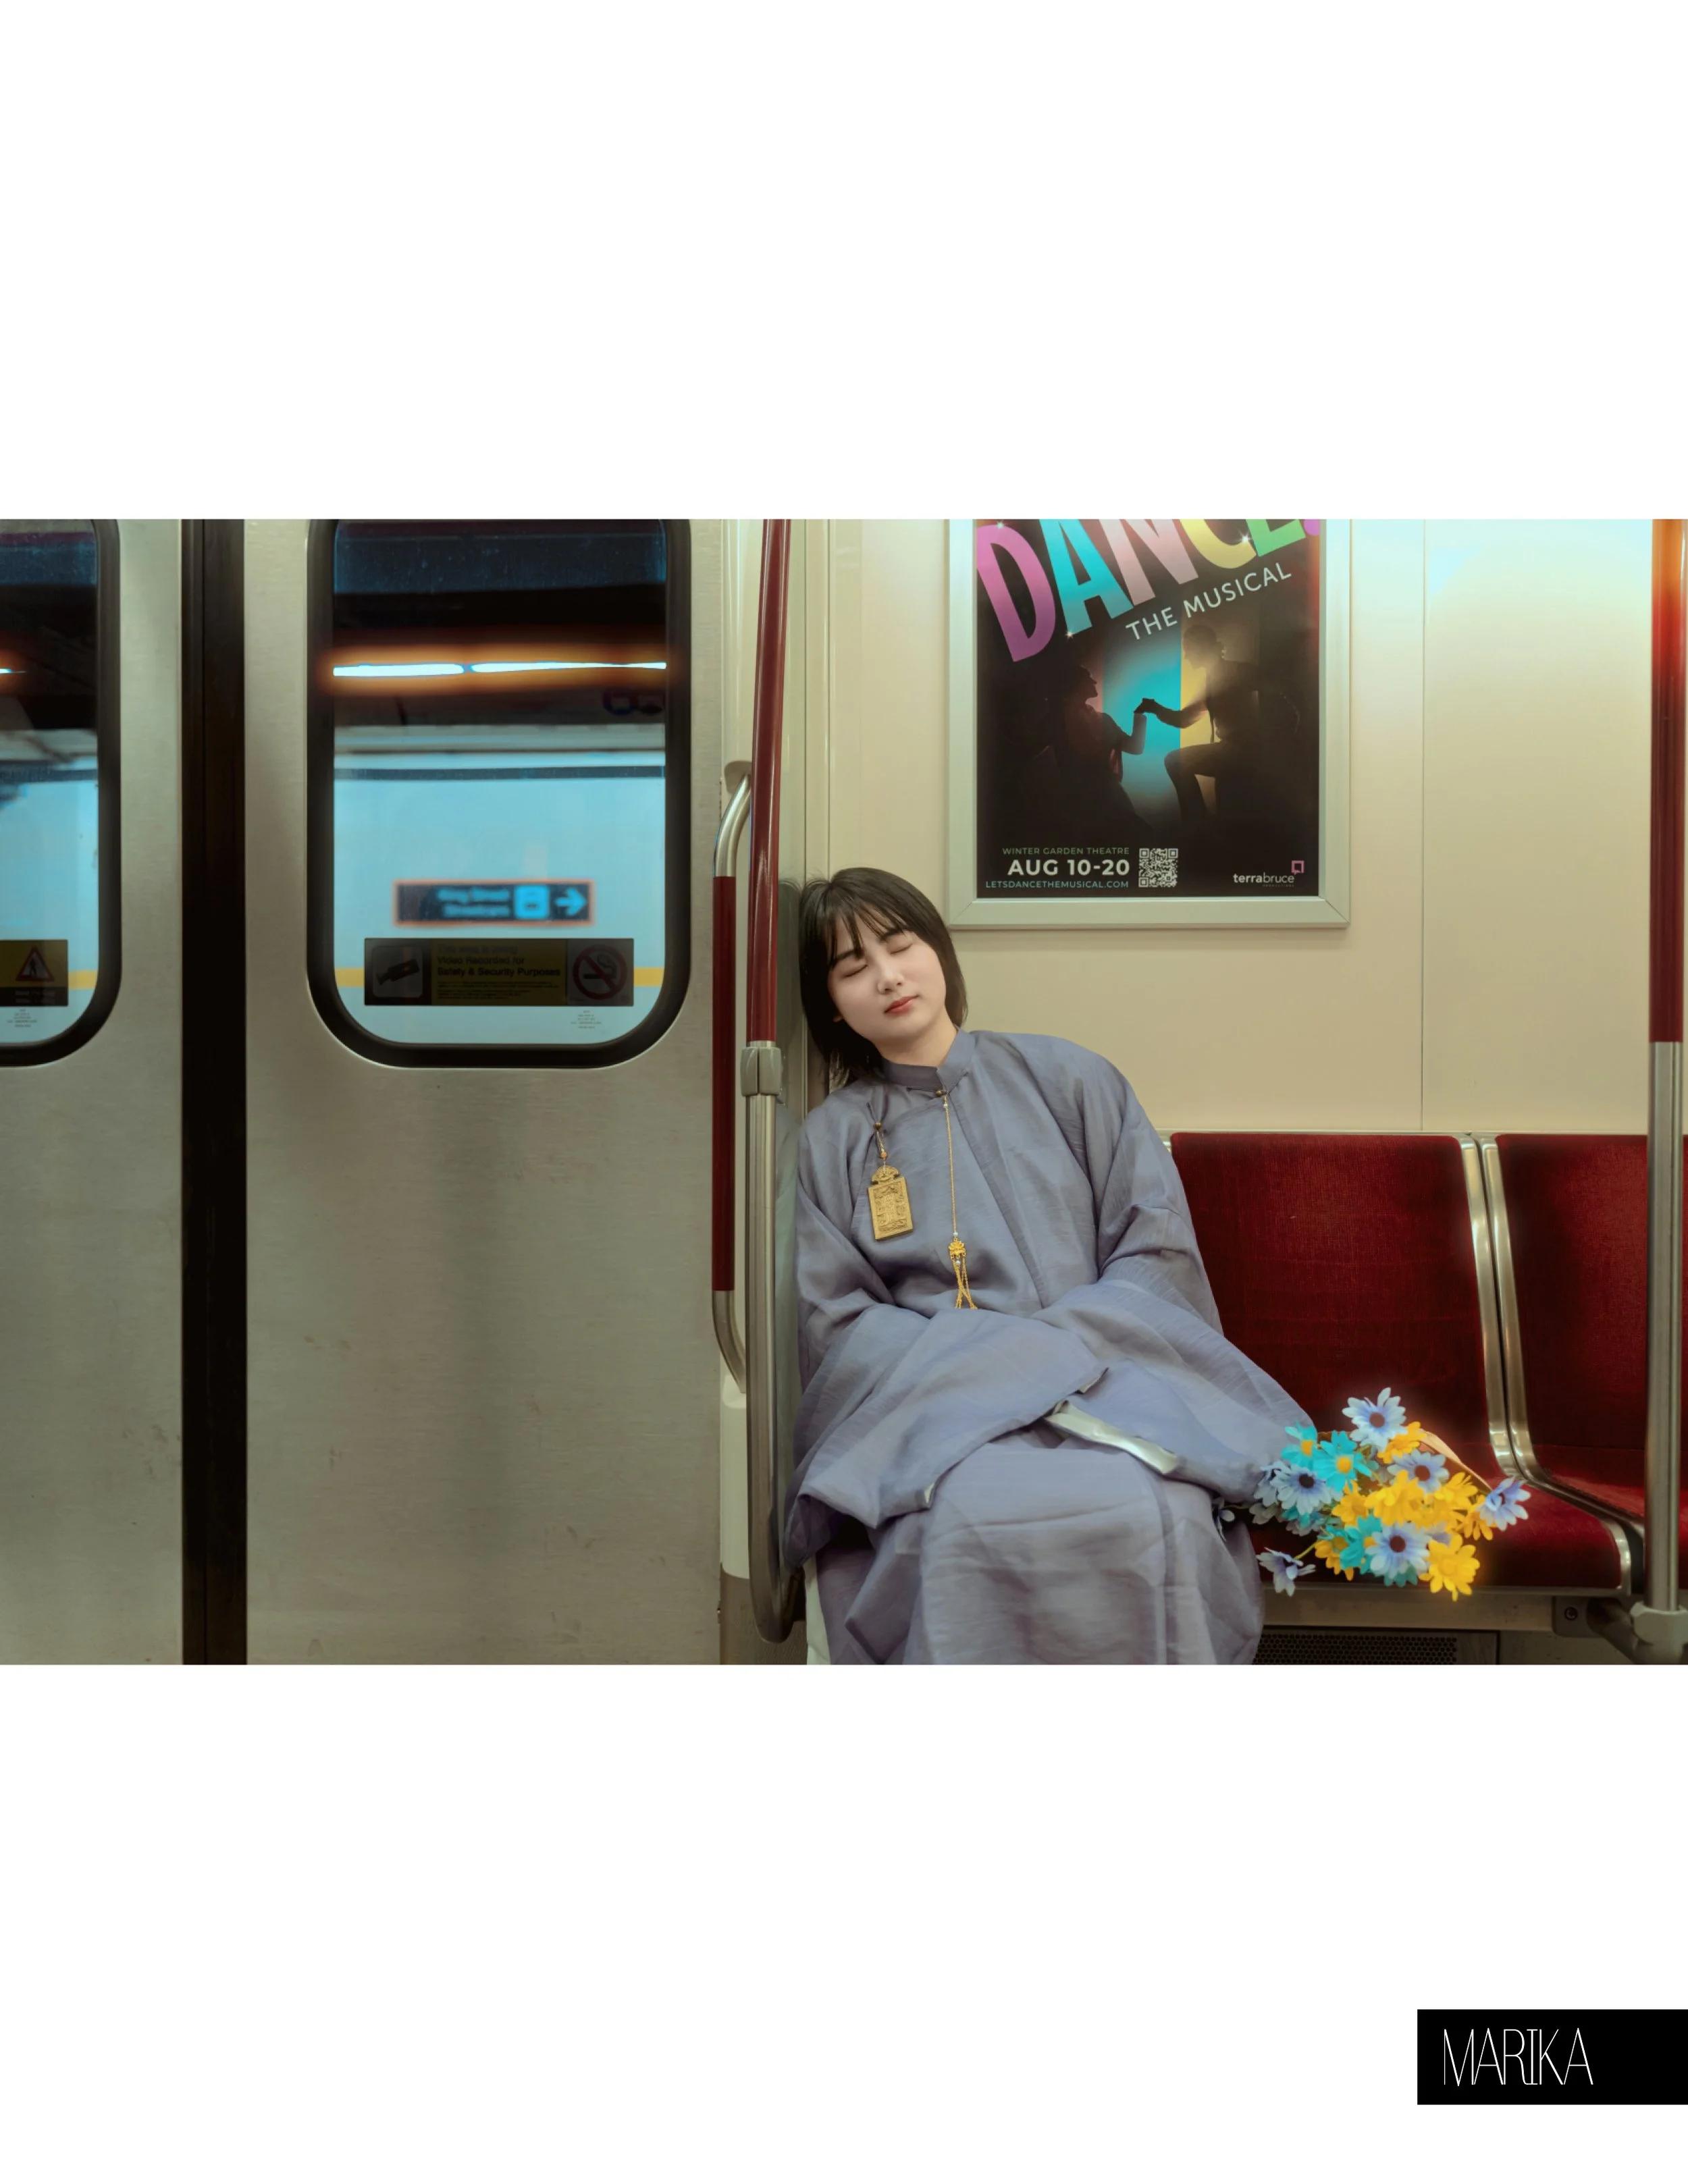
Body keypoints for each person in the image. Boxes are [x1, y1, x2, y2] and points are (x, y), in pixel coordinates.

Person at [787, 865, 1311, 1665]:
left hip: (1114, 1393)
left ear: (939, 952)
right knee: (960, 1524)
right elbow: (838, 1321)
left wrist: (1047, 1355)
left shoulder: (1070, 1077)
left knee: (1154, 1515)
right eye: (854, 967)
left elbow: (1154, 1253)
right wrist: (984, 1367)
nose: (888, 976)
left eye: (900, 945)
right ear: (831, 1003)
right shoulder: (833, 1139)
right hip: (938, 1419)